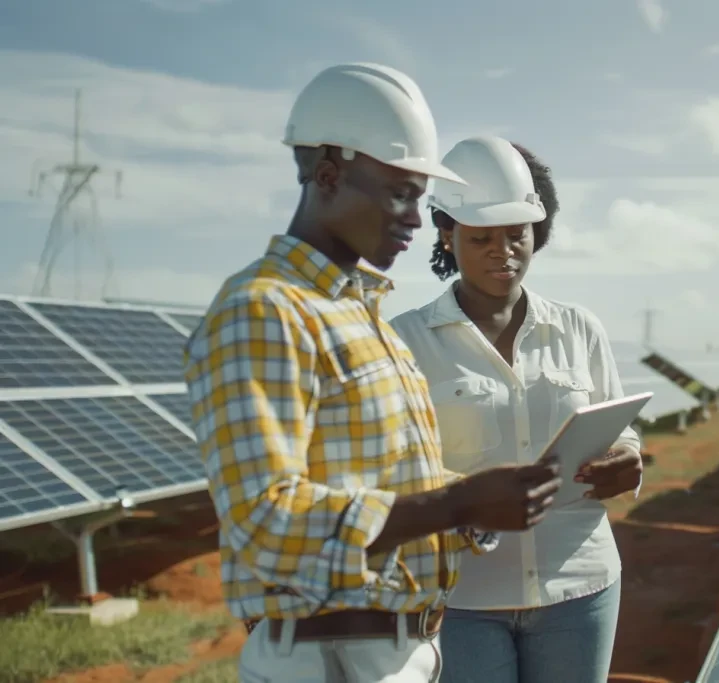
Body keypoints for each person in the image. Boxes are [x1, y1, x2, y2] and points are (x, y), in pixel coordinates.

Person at [183, 66, 562, 683]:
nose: (417, 218)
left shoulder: (363, 317)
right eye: (401, 193)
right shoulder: (264, 310)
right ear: (329, 173)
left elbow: (385, 478)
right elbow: (265, 522)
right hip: (323, 661)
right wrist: (455, 501)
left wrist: (473, 503)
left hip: (394, 653)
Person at [388, 135, 644, 683]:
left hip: (581, 586)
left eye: (516, 235)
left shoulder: (579, 329)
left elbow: (622, 430)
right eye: (482, 238)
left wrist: (626, 460)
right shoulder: (404, 341)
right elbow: (389, 472)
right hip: (462, 600)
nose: (502, 252)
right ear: (448, 233)